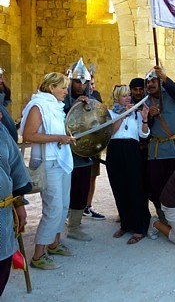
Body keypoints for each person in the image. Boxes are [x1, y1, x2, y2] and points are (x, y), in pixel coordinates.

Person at [21, 72, 76, 269]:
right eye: (63, 87)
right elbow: (28, 135)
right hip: (47, 162)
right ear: (51, 87)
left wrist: (66, 137)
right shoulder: (39, 106)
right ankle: (38, 255)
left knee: (63, 206)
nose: (66, 91)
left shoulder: (56, 106)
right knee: (52, 208)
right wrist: (58, 138)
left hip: (61, 160)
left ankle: (54, 244)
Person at [106, 85, 151, 244]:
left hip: (132, 151)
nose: (128, 98)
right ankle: (126, 224)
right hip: (115, 150)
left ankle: (140, 227)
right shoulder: (110, 113)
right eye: (124, 96)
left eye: (129, 96)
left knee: (135, 188)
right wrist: (123, 115)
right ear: (117, 97)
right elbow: (110, 133)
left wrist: (144, 117)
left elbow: (144, 134)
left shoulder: (136, 114)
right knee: (119, 187)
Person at [145, 65, 175, 222]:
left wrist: (164, 77)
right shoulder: (145, 99)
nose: (150, 84)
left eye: (154, 81)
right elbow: (143, 127)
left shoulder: (171, 91)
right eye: (148, 82)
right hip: (158, 150)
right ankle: (161, 213)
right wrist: (149, 115)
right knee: (156, 183)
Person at [63, 58, 95, 241]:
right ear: (70, 81)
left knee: (80, 190)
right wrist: (74, 107)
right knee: (63, 192)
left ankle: (74, 226)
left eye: (84, 82)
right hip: (65, 153)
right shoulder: (61, 102)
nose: (81, 85)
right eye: (77, 81)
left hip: (83, 154)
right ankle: (59, 228)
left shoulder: (91, 100)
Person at [0, 122, 31, 294]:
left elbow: (16, 168)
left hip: (2, 213)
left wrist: (19, 204)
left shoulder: (1, 132)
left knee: (3, 260)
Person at [84, 72, 106, 221]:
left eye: (93, 83)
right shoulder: (71, 98)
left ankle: (87, 206)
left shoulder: (96, 95)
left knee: (92, 177)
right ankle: (73, 209)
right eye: (88, 83)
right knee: (77, 178)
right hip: (79, 144)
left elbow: (101, 115)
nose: (92, 86)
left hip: (94, 144)